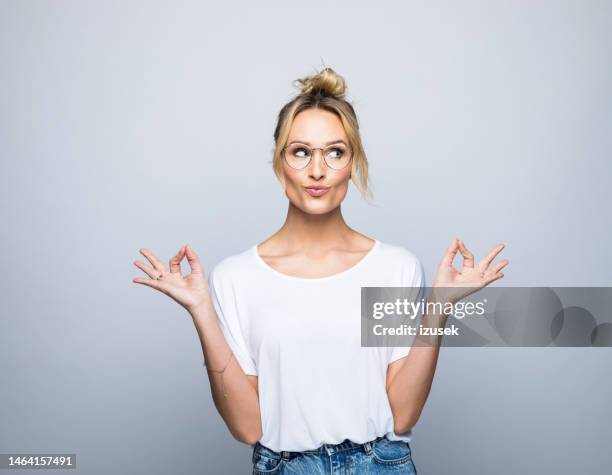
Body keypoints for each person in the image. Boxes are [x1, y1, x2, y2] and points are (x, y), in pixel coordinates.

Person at [132, 67, 508, 474]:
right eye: (300, 151)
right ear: (280, 162)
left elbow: (402, 415)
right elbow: (246, 427)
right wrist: (201, 310)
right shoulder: (235, 278)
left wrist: (439, 308)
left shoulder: (393, 268)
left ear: (353, 163)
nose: (317, 171)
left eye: (335, 152)